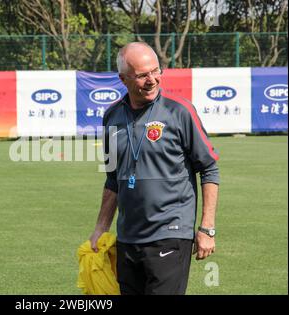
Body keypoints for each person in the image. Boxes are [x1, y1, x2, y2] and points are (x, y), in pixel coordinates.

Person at [89, 42, 220, 295]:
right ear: (123, 79)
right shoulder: (112, 117)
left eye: (156, 71)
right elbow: (113, 180)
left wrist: (207, 228)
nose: (152, 80)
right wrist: (100, 229)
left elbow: (209, 168)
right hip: (127, 238)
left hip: (171, 233)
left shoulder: (180, 111)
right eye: (142, 75)